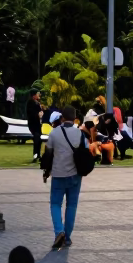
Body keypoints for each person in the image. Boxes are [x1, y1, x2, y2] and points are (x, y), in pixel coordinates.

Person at [42, 105, 87, 250]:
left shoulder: (54, 133)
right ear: (75, 119)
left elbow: (48, 155)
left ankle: (58, 231)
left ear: (62, 118)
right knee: (71, 205)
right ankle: (67, 237)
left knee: (55, 204)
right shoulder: (80, 134)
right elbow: (85, 153)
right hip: (75, 175)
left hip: (58, 174)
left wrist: (46, 171)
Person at [26, 90, 44, 161]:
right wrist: (38, 115)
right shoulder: (30, 102)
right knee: (37, 138)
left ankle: (38, 154)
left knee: (39, 139)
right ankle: (35, 154)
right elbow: (31, 113)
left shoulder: (37, 102)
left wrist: (41, 113)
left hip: (37, 124)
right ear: (34, 95)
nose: (39, 95)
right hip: (33, 124)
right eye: (37, 94)